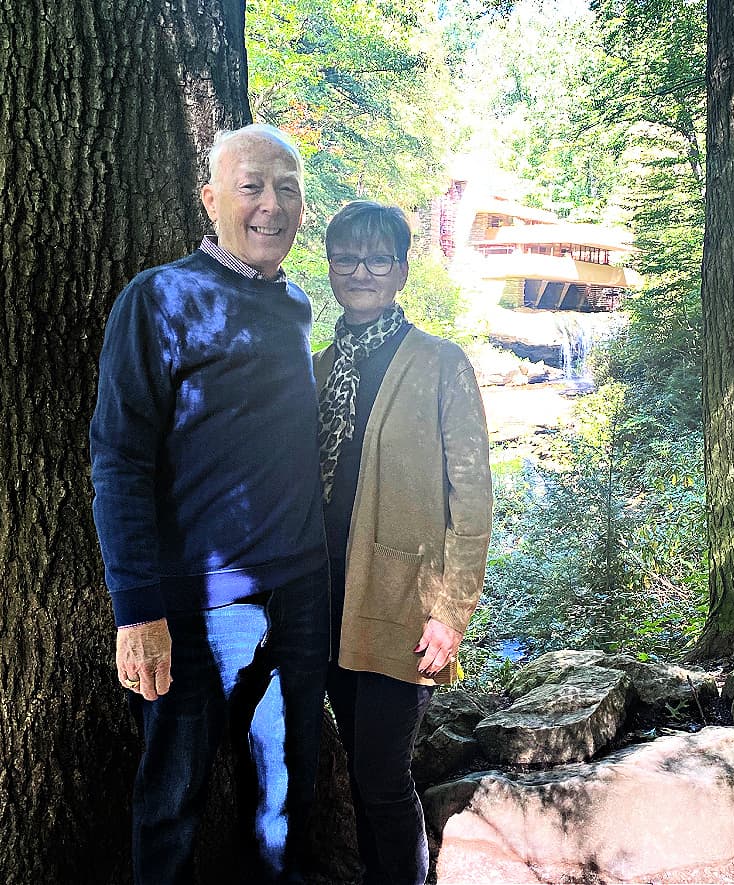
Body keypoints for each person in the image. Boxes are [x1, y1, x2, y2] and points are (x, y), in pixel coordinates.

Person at [90, 123, 329, 885]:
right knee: (172, 804)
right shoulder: (158, 297)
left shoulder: (294, 305)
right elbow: (119, 460)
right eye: (252, 186)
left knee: (284, 797)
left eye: (287, 188)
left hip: (297, 597)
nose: (271, 206)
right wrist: (137, 611)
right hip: (195, 611)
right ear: (212, 197)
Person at [314, 201, 493, 885]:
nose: (361, 271)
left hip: (404, 607)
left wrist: (452, 611)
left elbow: (472, 498)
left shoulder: (441, 363)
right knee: (360, 773)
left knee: (383, 774)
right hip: (326, 601)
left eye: (378, 257)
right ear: (330, 265)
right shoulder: (320, 366)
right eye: (347, 257)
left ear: (401, 269)